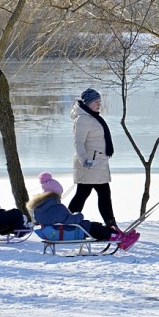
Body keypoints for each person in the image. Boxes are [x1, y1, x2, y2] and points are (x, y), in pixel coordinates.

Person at [28, 172, 140, 250]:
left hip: (55, 232)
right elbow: (71, 220)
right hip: (69, 231)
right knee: (94, 228)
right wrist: (79, 215)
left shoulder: (38, 209)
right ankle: (121, 240)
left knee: (96, 226)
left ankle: (120, 236)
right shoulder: (58, 208)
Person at [68, 88, 120, 230]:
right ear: (89, 103)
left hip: (97, 163)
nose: (99, 104)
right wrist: (85, 160)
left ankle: (67, 223)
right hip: (90, 164)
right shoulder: (83, 119)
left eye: (99, 102)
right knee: (88, 195)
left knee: (88, 194)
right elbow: (78, 142)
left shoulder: (91, 117)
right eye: (96, 102)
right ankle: (111, 226)